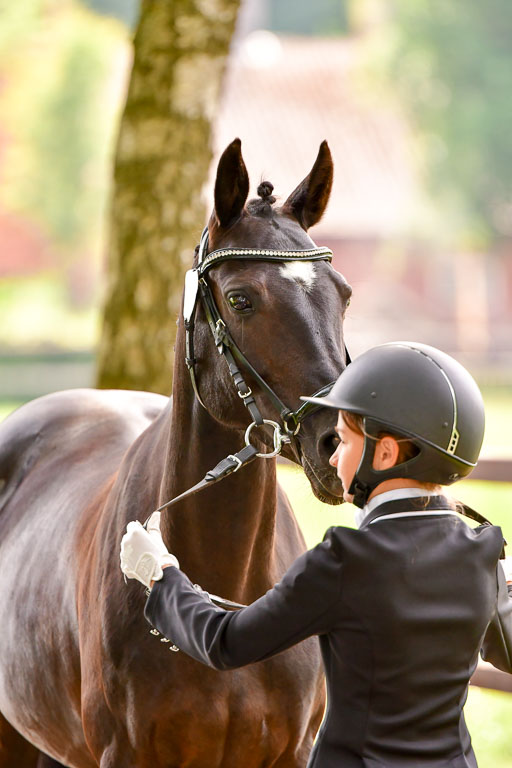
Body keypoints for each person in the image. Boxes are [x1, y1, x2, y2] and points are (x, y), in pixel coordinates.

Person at [120, 342, 512, 768]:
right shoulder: (484, 552)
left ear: (385, 453)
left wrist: (159, 574)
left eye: (342, 440)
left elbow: (225, 641)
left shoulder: (343, 561)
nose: (333, 455)